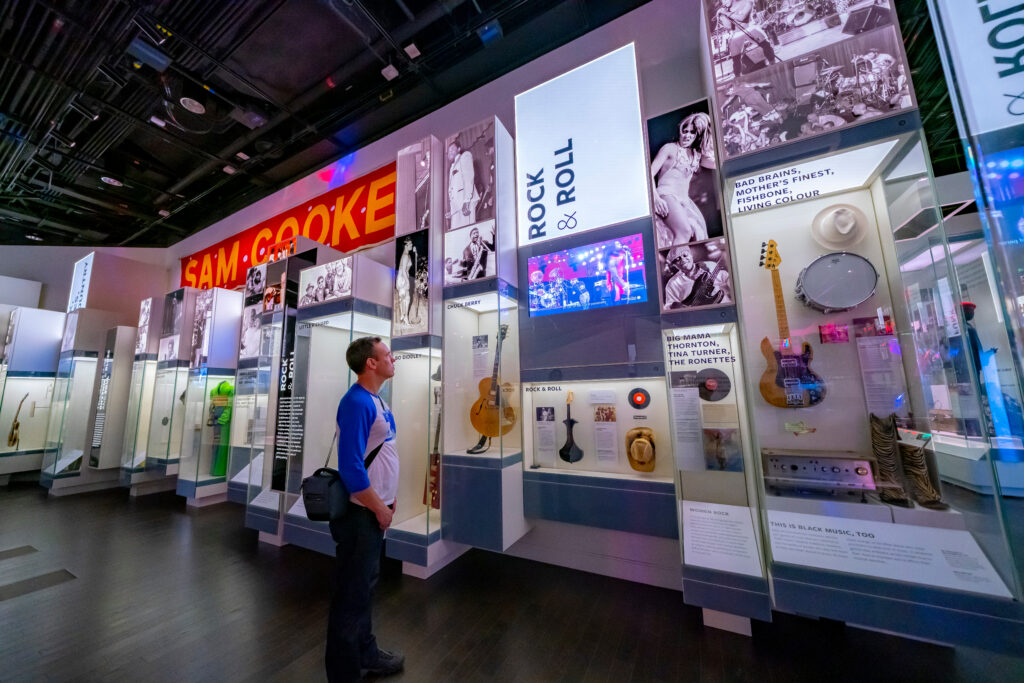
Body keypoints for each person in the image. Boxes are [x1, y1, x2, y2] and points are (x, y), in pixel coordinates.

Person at [327, 337, 403, 682]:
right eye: (387, 354)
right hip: (362, 515)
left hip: (373, 510)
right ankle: (344, 673)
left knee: (364, 588)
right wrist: (379, 508)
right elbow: (351, 467)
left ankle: (366, 653)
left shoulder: (375, 400)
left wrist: (388, 498)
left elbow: (381, 452)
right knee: (352, 595)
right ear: (370, 363)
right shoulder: (357, 401)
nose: (393, 358)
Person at [651, 112, 716, 247]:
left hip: (684, 201)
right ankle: (673, 266)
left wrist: (707, 134)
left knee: (699, 233)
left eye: (692, 132)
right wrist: (656, 198)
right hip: (666, 195)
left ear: (699, 134)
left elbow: (716, 163)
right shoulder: (670, 148)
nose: (687, 135)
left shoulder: (696, 156)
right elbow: (649, 174)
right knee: (684, 231)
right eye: (684, 131)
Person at [716, 0, 776, 77]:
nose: (723, 3)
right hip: (736, 33)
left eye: (725, 0)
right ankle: (738, 78)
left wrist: (726, 13)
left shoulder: (747, 2)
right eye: (722, 1)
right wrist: (722, 16)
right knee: (736, 58)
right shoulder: (725, 9)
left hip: (750, 27)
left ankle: (773, 65)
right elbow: (729, 26)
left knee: (766, 45)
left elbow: (742, 18)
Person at [663, 245, 731, 309]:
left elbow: (727, 278)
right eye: (677, 259)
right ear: (674, 265)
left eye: (685, 255)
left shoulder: (709, 265)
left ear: (691, 255)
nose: (683, 260)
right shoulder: (672, 284)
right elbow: (668, 306)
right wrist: (677, 306)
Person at [447, 140, 479, 229]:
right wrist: (452, 211)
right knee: (457, 233)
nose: (450, 152)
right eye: (449, 151)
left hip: (466, 203)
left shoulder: (465, 156)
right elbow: (453, 189)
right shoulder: (452, 166)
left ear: (459, 149)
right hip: (457, 208)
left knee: (468, 230)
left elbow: (469, 178)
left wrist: (467, 201)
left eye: (452, 149)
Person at [395, 238, 414, 325]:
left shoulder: (406, 255)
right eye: (410, 244)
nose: (411, 245)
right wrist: (407, 281)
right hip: (403, 278)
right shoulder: (406, 255)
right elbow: (403, 270)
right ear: (406, 246)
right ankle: (405, 316)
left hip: (402, 277)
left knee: (404, 298)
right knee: (406, 298)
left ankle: (403, 316)